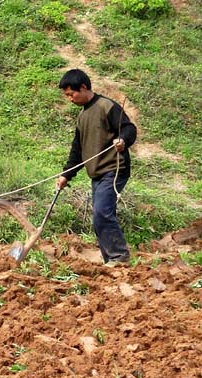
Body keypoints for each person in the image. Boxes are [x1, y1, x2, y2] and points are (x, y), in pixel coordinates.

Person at [55, 68, 137, 266]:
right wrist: (67, 174)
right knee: (98, 216)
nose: (70, 99)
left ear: (83, 87)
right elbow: (77, 150)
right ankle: (111, 260)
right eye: (67, 95)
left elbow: (129, 128)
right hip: (97, 173)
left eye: (71, 94)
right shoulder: (82, 117)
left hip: (114, 169)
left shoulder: (106, 106)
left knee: (102, 212)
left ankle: (119, 256)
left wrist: (123, 141)